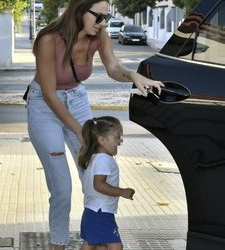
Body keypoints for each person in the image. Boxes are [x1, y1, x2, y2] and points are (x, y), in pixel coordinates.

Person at [25, 0, 163, 249]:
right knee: (62, 189)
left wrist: (132, 75)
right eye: (97, 17)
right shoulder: (49, 40)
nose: (102, 24)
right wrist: (82, 132)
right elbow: (49, 94)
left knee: (93, 173)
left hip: (76, 99)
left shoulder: (100, 35)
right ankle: (58, 244)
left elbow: (112, 67)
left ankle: (97, 240)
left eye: (106, 18)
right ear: (79, 11)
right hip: (44, 106)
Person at [78, 116, 135, 250]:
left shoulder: (94, 158)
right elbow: (99, 185)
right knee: (115, 246)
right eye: (117, 138)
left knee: (92, 244)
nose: (119, 142)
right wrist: (123, 192)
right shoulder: (104, 160)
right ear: (102, 140)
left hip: (91, 211)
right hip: (101, 212)